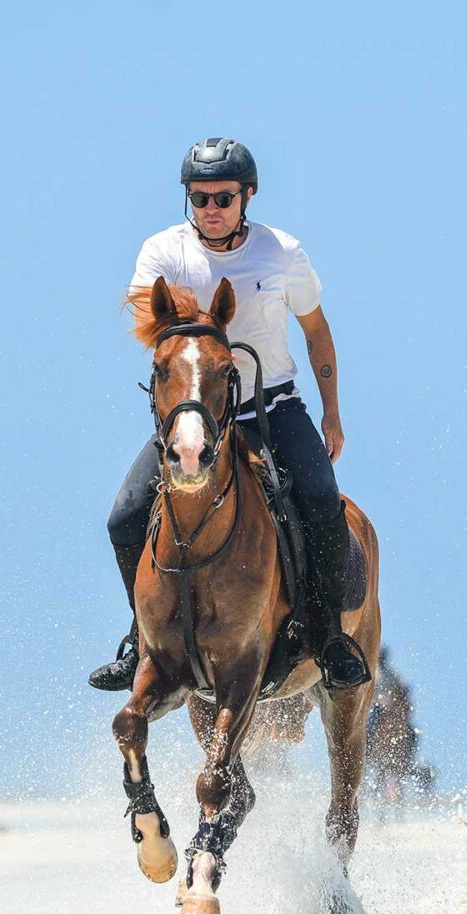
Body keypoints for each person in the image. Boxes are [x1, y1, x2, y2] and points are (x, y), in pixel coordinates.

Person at [89, 137, 371, 693]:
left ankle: (331, 635)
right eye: (199, 199)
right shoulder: (161, 253)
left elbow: (317, 334)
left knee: (318, 497)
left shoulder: (282, 252)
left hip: (272, 408)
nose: (211, 210)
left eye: (223, 198)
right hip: (195, 416)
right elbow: (153, 326)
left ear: (247, 196)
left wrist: (332, 415)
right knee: (124, 516)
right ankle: (140, 639)